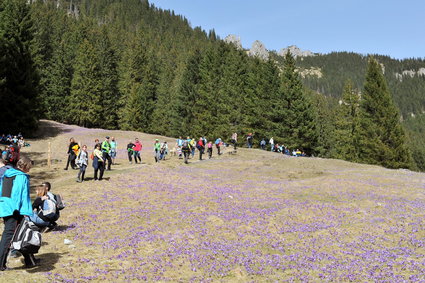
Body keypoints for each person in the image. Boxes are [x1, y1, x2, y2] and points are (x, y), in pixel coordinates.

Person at [0, 156, 37, 270]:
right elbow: (17, 193)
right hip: (15, 210)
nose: (29, 170)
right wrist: (16, 210)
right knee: (10, 236)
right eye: (29, 167)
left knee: (22, 233)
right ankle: (1, 264)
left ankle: (30, 260)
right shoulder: (21, 176)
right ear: (25, 166)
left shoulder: (8, 174)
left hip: (6, 207)